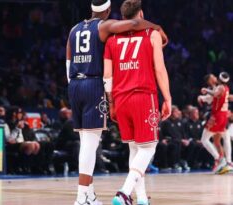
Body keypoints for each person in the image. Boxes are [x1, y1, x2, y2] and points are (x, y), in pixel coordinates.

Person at [65, 0, 168, 204]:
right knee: (90, 144)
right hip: (98, 85)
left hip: (76, 85)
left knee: (96, 143)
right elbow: (133, 24)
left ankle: (93, 195)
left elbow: (68, 63)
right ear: (108, 10)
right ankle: (84, 197)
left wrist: (74, 85)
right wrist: (157, 27)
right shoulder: (105, 26)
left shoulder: (74, 29)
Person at [103, 0, 171, 204]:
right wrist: (167, 97)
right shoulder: (152, 34)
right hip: (143, 96)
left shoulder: (111, 39)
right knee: (149, 148)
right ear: (141, 14)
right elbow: (159, 69)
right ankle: (124, 193)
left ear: (123, 18)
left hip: (121, 98)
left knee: (135, 149)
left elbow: (107, 77)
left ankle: (141, 198)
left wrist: (112, 102)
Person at [200, 72, 233, 174]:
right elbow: (222, 97)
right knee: (222, 139)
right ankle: (226, 162)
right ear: (210, 80)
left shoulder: (219, 87)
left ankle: (220, 159)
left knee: (206, 140)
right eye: (213, 76)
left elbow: (218, 95)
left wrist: (205, 92)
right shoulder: (223, 87)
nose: (215, 76)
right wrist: (202, 97)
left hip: (217, 116)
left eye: (215, 76)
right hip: (221, 115)